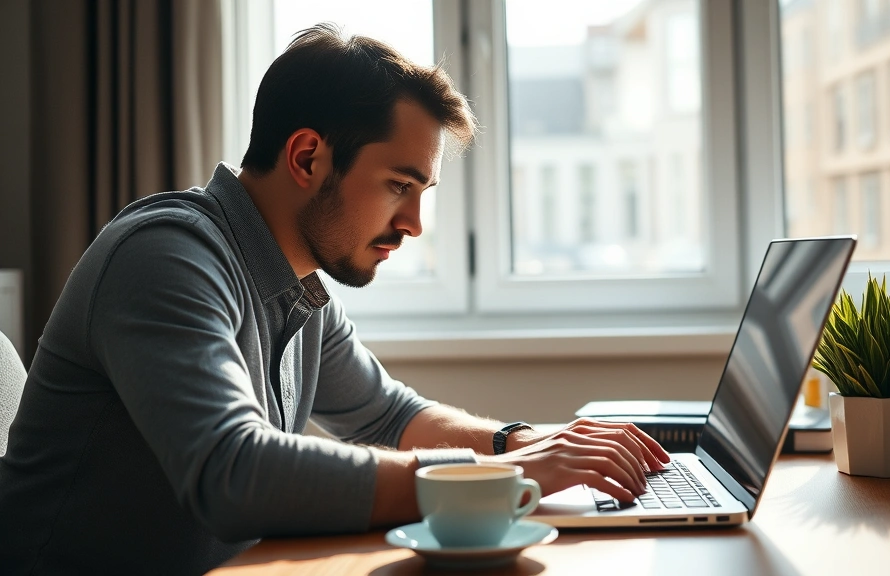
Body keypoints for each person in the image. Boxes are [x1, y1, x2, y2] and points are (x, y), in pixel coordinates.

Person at [0, 24, 669, 574]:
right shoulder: (166, 258)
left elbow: (387, 416)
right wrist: (490, 478)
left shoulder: (295, 285)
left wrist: (524, 444)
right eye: (397, 186)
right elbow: (234, 472)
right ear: (307, 157)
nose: (413, 225)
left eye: (421, 194)